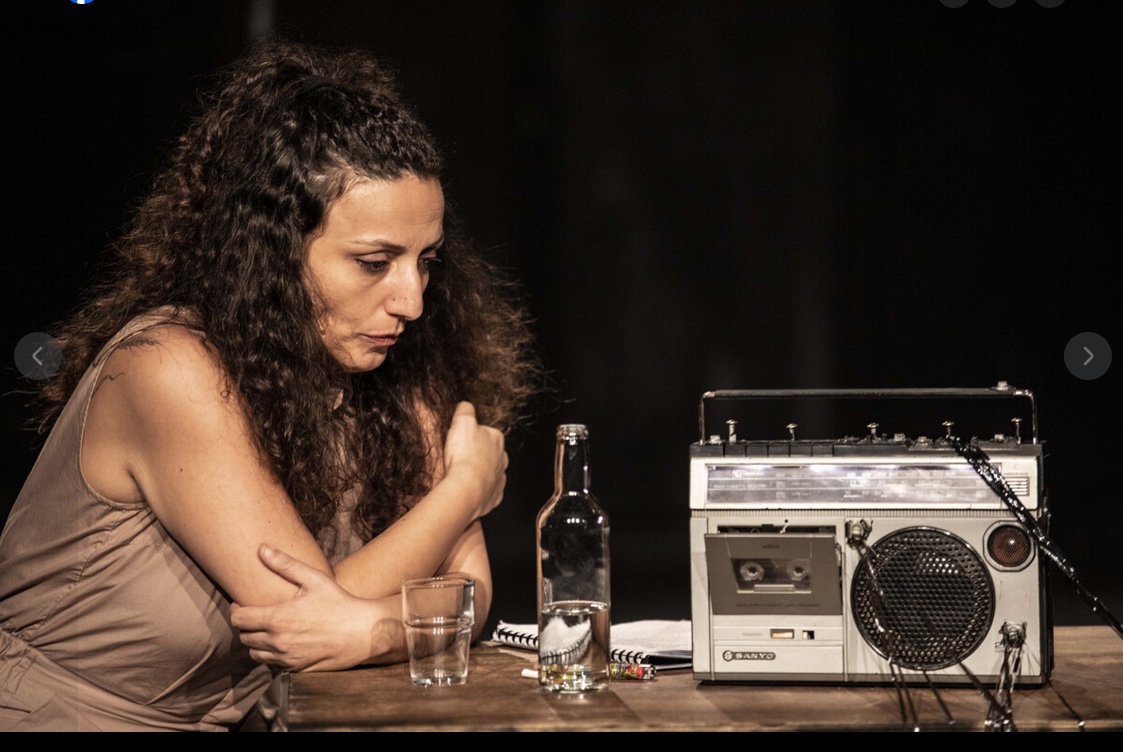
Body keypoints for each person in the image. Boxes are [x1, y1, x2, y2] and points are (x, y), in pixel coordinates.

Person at [0, 39, 537, 731]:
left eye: (425, 261)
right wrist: (466, 487)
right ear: (274, 253)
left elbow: (462, 594)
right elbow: (300, 614)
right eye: (374, 262)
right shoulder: (166, 367)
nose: (412, 300)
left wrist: (372, 631)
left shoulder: (388, 371)